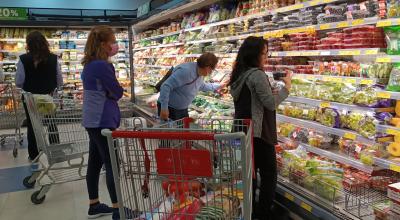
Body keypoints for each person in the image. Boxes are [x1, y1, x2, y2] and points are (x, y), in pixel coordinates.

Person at [229, 36, 291, 220]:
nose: (266, 57)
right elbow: (271, 104)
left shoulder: (240, 73)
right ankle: (263, 212)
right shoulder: (257, 74)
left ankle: (249, 210)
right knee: (269, 173)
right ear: (254, 55)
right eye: (264, 53)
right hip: (259, 133)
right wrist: (286, 88)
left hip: (242, 130)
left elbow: (254, 98)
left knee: (249, 174)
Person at [81, 25, 135, 220]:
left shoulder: (89, 64)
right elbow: (117, 91)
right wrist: (115, 91)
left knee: (95, 162)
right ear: (103, 44)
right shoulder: (103, 66)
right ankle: (118, 210)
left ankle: (94, 205)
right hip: (102, 119)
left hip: (91, 119)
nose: (115, 45)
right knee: (112, 164)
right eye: (112, 42)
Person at [15, 31, 62, 161]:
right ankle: (56, 150)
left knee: (32, 124)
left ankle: (34, 154)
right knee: (52, 122)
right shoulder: (53, 58)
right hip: (49, 96)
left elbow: (19, 82)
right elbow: (59, 80)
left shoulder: (23, 59)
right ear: (44, 43)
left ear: (28, 44)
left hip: (30, 98)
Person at [157, 53, 226, 121]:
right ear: (207, 67)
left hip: (182, 109)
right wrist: (164, 108)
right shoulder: (186, 71)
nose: (211, 72)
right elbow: (165, 86)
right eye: (212, 69)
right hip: (170, 109)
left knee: (182, 130)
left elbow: (202, 86)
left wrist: (219, 86)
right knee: (170, 131)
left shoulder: (200, 73)